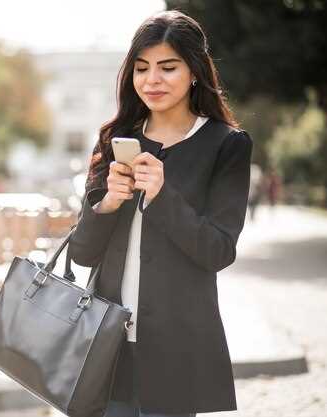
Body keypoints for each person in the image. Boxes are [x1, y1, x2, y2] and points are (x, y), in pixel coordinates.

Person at [69, 10, 253, 416]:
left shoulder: (227, 145)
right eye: (141, 68)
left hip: (176, 348)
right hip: (107, 347)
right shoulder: (116, 140)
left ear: (194, 73)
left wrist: (163, 196)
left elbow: (218, 251)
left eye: (168, 67)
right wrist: (107, 205)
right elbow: (81, 254)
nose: (152, 80)